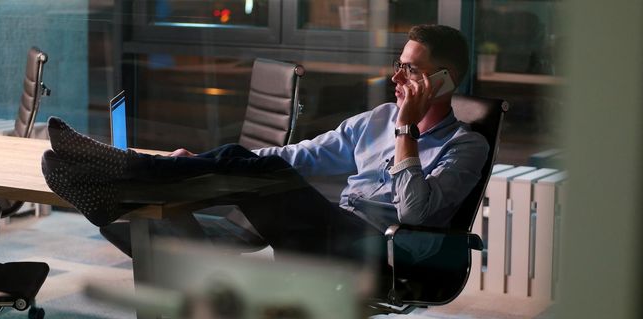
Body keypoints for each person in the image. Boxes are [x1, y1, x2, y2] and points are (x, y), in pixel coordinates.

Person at [41, 24, 488, 262]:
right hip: (332, 228)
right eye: (399, 64)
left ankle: (122, 175)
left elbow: (415, 214)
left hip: (379, 249)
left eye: (410, 70)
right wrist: (204, 162)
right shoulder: (377, 119)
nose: (395, 77)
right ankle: (123, 177)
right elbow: (301, 155)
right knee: (254, 163)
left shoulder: (466, 147)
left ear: (441, 81)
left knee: (251, 168)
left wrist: (407, 129)